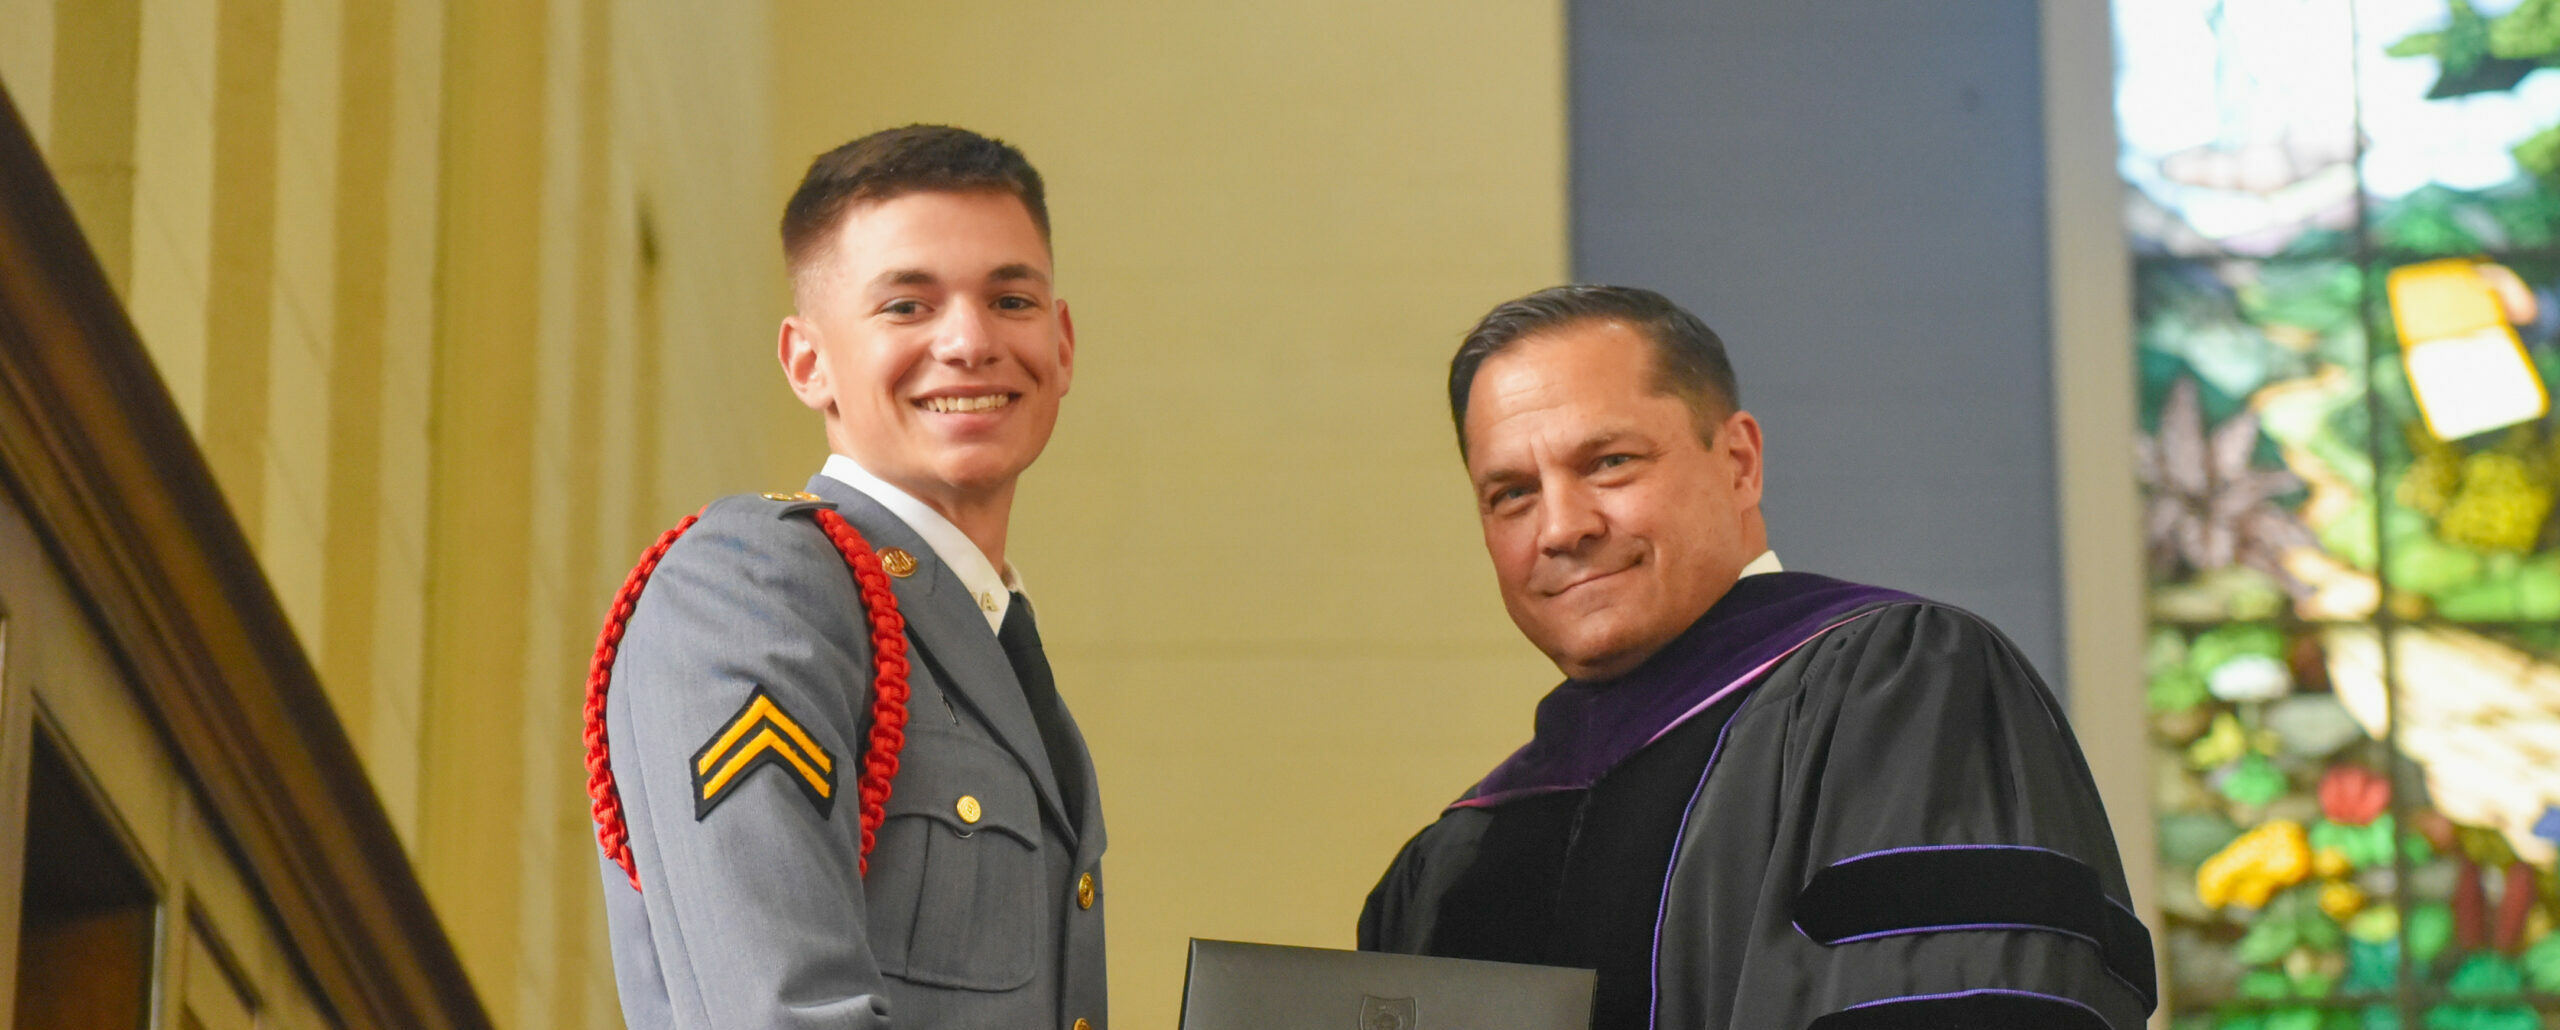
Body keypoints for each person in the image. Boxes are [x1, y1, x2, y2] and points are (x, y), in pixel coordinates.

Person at [1358, 285, 2154, 1030]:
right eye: (1512, 494)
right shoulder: (1448, 861)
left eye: (1609, 462)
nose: (1562, 528)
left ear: (1739, 462)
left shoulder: (1899, 692)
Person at [590, 125, 1106, 1030]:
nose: (970, 340)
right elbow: (782, 1012)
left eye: (1011, 299)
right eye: (907, 306)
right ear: (808, 361)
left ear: (1062, 345)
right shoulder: (757, 585)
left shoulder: (998, 657)